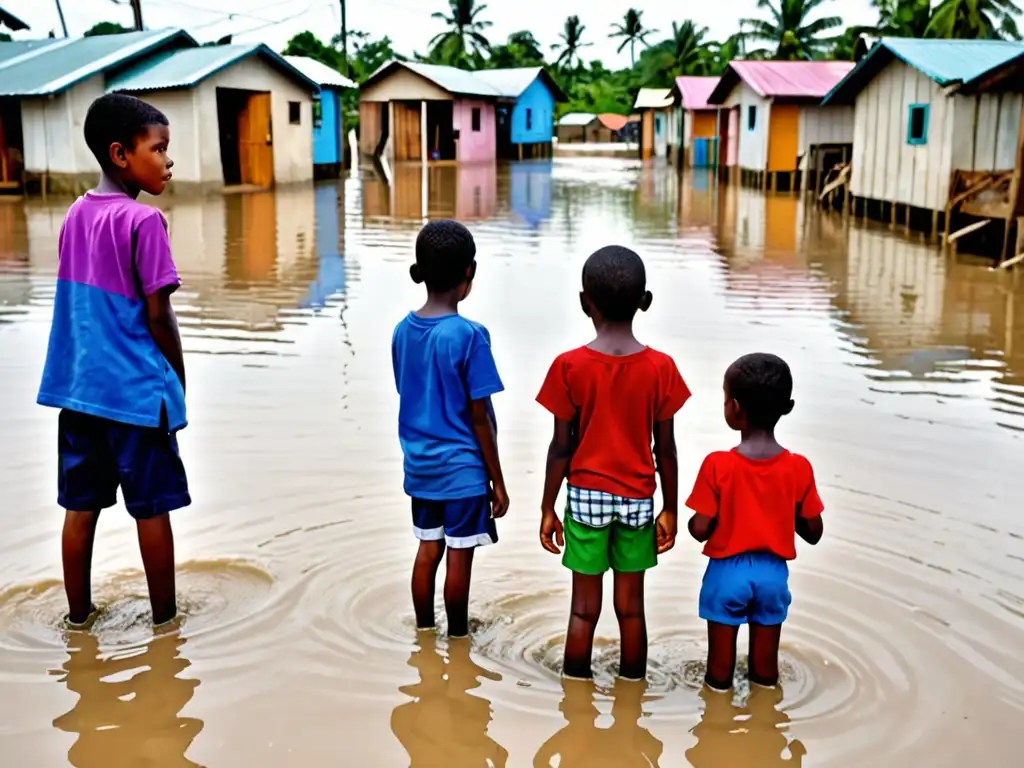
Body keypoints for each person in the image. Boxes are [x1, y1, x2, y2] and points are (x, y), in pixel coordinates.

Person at [36, 93, 187, 629]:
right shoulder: (144, 223)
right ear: (121, 154)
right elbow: (158, 317)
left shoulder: (76, 214)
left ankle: (78, 618)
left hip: (79, 393)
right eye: (160, 148)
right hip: (136, 397)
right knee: (151, 507)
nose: (169, 161)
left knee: (80, 509)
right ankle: (166, 623)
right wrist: (179, 379)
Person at [537, 245, 689, 681]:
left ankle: (576, 690)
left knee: (583, 612)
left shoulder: (569, 367)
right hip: (639, 499)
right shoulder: (661, 368)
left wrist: (548, 506)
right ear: (645, 302)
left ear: (585, 301)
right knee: (631, 610)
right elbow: (667, 449)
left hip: (585, 498)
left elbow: (560, 447)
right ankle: (632, 690)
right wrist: (671, 509)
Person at [392, 219, 509, 639]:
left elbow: (410, 393)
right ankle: (458, 638)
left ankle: (425, 633)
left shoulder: (402, 332)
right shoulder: (470, 336)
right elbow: (480, 417)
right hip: (462, 472)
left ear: (418, 272)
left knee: (428, 551)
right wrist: (497, 481)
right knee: (459, 557)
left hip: (420, 468)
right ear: (469, 274)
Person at [685, 353, 824, 692]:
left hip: (727, 572)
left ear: (733, 407)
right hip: (773, 575)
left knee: (719, 674)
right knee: (765, 671)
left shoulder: (718, 466)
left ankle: (717, 725)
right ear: (787, 407)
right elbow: (813, 532)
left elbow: (699, 528)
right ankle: (765, 718)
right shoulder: (799, 468)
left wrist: (705, 519)